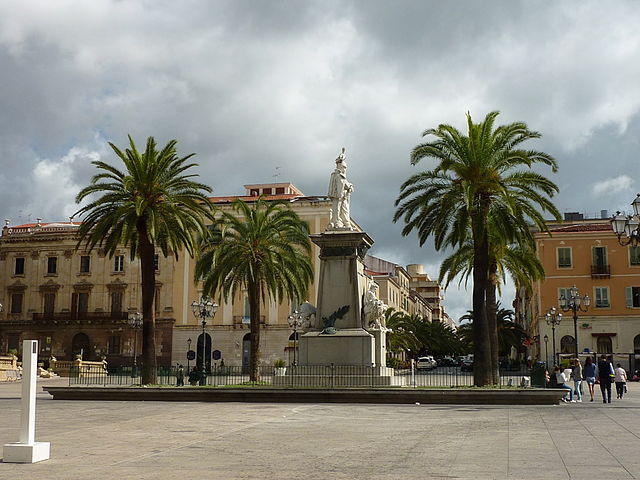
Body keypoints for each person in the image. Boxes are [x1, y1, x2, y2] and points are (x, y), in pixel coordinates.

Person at [327, 148, 354, 230]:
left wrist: (349, 186)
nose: (345, 169)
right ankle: (336, 222)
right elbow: (342, 183)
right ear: (340, 167)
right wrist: (349, 186)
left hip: (343, 197)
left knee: (345, 209)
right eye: (344, 167)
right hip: (338, 196)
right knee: (337, 209)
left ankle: (346, 222)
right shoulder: (337, 174)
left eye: (345, 168)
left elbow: (345, 183)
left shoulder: (341, 176)